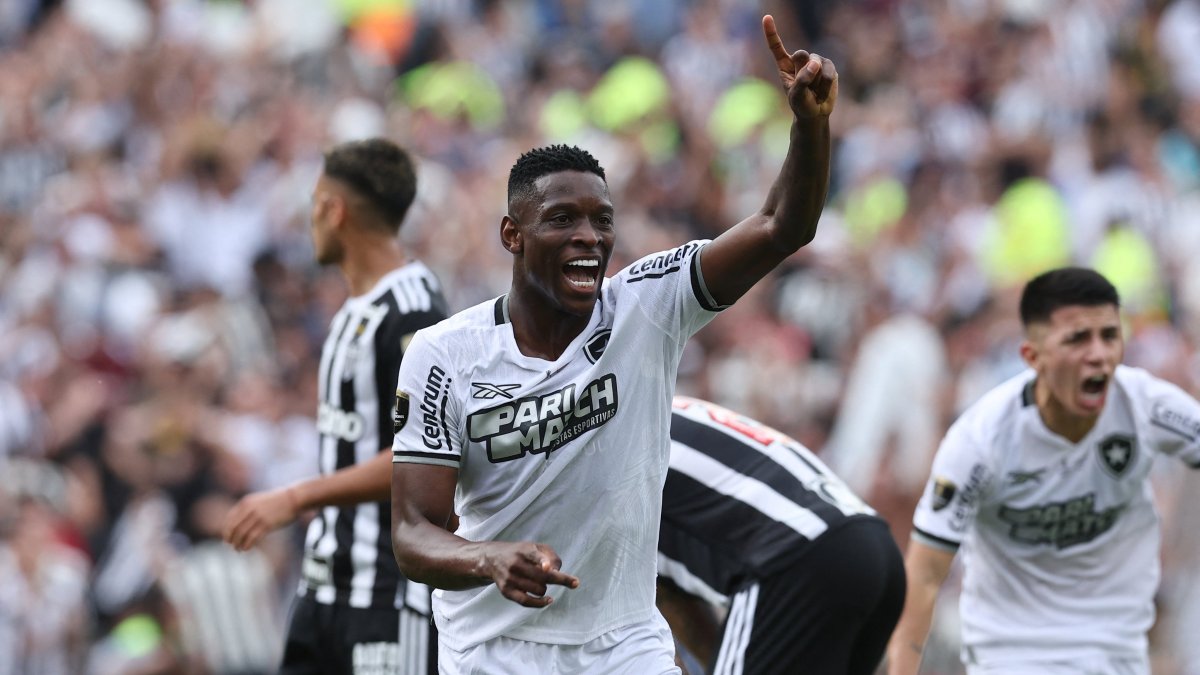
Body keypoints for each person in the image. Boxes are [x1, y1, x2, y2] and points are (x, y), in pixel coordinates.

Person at [388, 15, 836, 673]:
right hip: (495, 651)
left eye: (602, 221)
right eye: (562, 220)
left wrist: (810, 125)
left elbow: (780, 226)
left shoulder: (646, 305)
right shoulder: (441, 355)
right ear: (512, 235)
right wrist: (489, 557)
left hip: (624, 643)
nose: (589, 238)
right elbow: (412, 532)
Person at [886, 267, 1200, 675]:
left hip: (1117, 655)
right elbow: (926, 574)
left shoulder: (1146, 404)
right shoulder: (980, 441)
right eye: (1077, 339)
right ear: (1033, 357)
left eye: (1109, 335)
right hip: (1013, 657)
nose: (1098, 354)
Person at [223, 138, 449, 675]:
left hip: (386, 597)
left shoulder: (413, 310)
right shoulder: (355, 309)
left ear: (334, 209)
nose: (311, 222)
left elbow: (420, 457)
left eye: (313, 206)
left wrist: (296, 497)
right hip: (325, 587)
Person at [658, 396, 905, 675]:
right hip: (874, 548)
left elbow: (638, 623)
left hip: (799, 561)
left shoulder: (613, 451)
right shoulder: (658, 409)